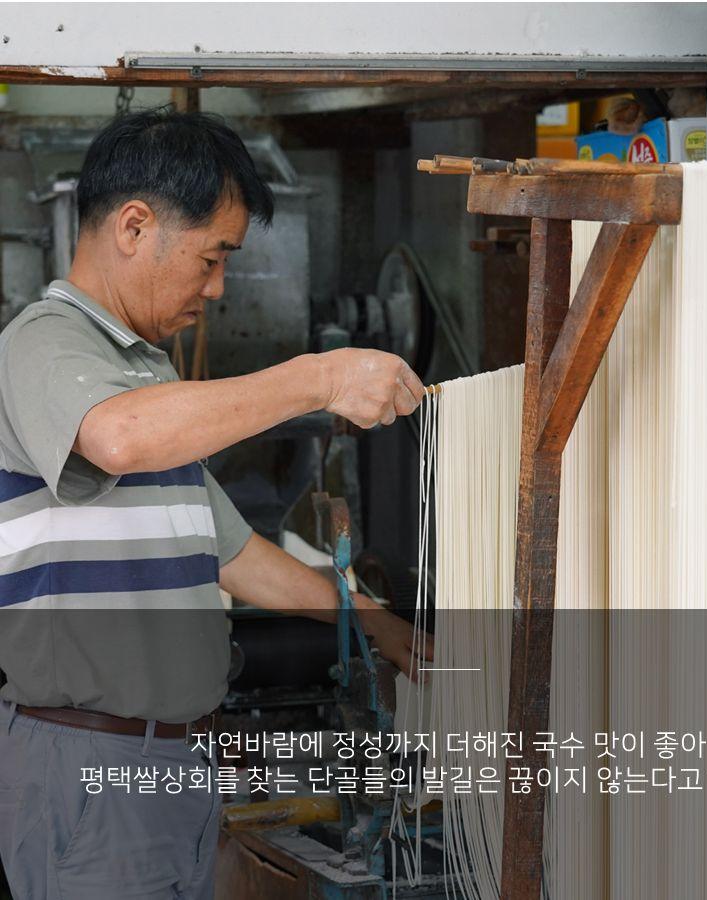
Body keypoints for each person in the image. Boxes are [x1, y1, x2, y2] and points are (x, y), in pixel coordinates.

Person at [0, 108, 431, 899]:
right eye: (211, 257)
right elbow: (118, 438)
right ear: (134, 226)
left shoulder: (147, 375)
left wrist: (375, 621)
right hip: (93, 768)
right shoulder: (42, 344)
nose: (218, 287)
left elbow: (232, 554)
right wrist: (320, 377)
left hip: (171, 762)